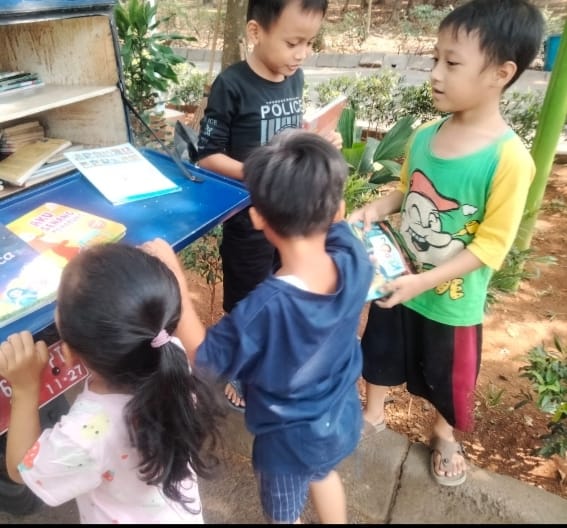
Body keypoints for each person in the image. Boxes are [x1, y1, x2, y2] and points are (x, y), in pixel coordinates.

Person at [348, 0, 544, 487]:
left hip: (452, 302)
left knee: (448, 376)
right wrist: (376, 208)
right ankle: (374, 411)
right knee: (380, 349)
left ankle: (443, 433)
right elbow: (405, 191)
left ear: (501, 73)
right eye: (435, 58)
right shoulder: (423, 135)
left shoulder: (509, 160)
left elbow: (490, 247)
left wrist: (425, 283)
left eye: (452, 63)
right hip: (398, 279)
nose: (435, 73)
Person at [144, 129, 373, 523]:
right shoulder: (354, 257)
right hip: (340, 415)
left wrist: (176, 281)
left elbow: (205, 359)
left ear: (257, 217)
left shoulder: (265, 310)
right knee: (323, 473)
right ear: (337, 209)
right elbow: (338, 226)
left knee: (283, 514)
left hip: (286, 444)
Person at [0, 243, 227, 523]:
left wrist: (24, 389)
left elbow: (21, 469)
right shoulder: (173, 358)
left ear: (68, 353)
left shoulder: (85, 435)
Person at [196, 0, 340, 411]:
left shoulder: (295, 79)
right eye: (293, 43)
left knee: (285, 286)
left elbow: (289, 138)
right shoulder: (232, 85)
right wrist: (260, 173)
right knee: (248, 298)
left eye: (309, 43)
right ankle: (241, 369)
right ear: (256, 32)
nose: (302, 54)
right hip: (249, 219)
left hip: (289, 214)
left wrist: (316, 143)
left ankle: (273, 355)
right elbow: (207, 156)